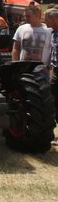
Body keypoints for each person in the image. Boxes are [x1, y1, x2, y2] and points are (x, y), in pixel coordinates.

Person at [12, 4, 53, 71]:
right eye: (25, 16)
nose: (25, 18)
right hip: (23, 68)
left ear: (37, 16)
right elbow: (16, 48)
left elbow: (52, 51)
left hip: (42, 70)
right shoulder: (21, 29)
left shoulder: (49, 30)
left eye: (28, 16)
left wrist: (49, 68)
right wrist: (15, 65)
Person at [43, 8, 58, 146]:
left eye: (46, 18)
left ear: (55, 20)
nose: (44, 21)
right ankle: (51, 133)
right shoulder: (52, 33)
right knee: (52, 101)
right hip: (55, 73)